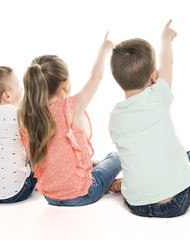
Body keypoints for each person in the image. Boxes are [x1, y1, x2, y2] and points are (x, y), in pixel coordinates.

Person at [109, 20, 190, 217]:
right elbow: (168, 63)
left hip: (136, 204)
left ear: (117, 79)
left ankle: (126, 185)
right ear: (154, 75)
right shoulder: (158, 97)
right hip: (174, 204)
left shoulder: (114, 118)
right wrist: (166, 38)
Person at [17, 33, 122, 206]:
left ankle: (104, 179)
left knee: (94, 163)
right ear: (65, 84)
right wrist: (104, 50)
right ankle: (109, 184)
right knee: (115, 156)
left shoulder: (27, 115)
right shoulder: (71, 107)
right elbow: (96, 77)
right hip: (82, 194)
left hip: (50, 197)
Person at [0, 66, 37, 203]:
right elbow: (30, 149)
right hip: (16, 192)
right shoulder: (19, 116)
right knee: (37, 158)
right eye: (17, 85)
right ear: (7, 96)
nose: (21, 88)